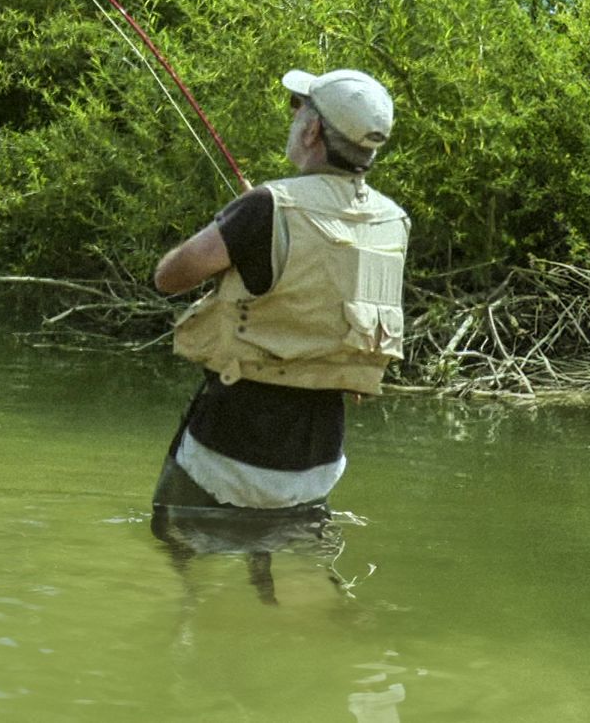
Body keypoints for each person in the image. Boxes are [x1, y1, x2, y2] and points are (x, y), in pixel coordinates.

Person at [148, 69, 409, 596]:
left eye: (298, 109)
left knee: (178, 566)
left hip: (228, 448)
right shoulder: (393, 220)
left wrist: (245, 223)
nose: (293, 119)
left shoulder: (267, 207)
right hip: (318, 461)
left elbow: (169, 277)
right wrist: (256, 225)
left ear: (312, 132)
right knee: (284, 591)